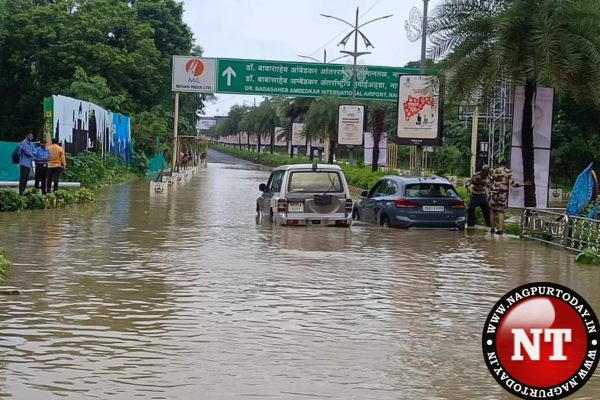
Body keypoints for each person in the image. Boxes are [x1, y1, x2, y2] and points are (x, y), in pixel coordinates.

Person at [489, 159, 530, 234]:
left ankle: (492, 228)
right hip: (502, 194)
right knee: (501, 211)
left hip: (493, 193)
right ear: (506, 164)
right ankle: (500, 229)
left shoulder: (493, 171)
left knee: (492, 211)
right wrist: (523, 184)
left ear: (499, 164)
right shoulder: (508, 171)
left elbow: (489, 182)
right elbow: (513, 184)